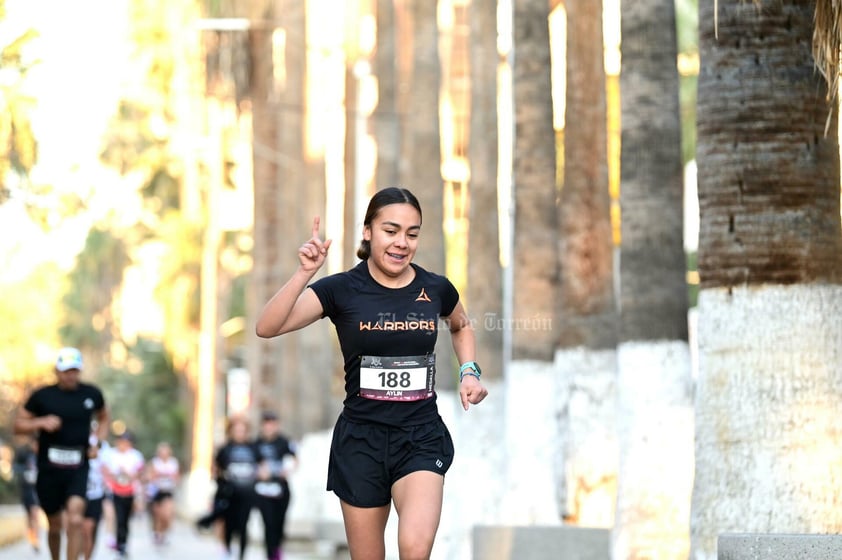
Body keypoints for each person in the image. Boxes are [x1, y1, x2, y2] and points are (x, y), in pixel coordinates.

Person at [255, 187, 488, 559]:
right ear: (368, 231)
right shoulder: (341, 289)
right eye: (391, 230)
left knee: (415, 548)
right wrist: (304, 273)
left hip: (420, 436)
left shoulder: (435, 287)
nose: (401, 243)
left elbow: (461, 326)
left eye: (412, 234)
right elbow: (267, 327)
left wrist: (470, 371)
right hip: (361, 441)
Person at [13, 347, 109, 560]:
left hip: (78, 466)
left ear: (80, 370)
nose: (70, 375)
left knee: (75, 519)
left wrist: (98, 443)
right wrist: (41, 422)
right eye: (66, 371)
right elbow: (18, 425)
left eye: (74, 370)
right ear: (57, 371)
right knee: (55, 525)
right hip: (49, 469)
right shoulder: (42, 396)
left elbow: (104, 417)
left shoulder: (91, 394)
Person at [211, 415, 258, 560]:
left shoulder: (253, 448)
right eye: (237, 430)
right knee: (229, 524)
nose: (240, 433)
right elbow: (215, 468)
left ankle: (242, 555)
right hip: (229, 493)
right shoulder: (225, 449)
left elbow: (261, 466)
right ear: (231, 431)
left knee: (244, 525)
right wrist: (220, 478)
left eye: (242, 430)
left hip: (247, 493)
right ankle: (227, 551)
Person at [253, 410, 298, 560]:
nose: (270, 427)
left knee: (279, 524)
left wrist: (287, 470)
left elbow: (295, 460)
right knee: (268, 524)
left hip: (281, 489)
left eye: (273, 424)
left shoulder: (284, 442)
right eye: (267, 424)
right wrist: (258, 470)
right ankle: (271, 556)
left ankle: (277, 551)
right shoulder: (256, 444)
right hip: (263, 490)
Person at [102, 430, 145, 558]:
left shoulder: (136, 456)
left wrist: (127, 474)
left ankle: (123, 543)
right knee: (115, 517)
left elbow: (139, 473)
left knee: (125, 520)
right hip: (113, 491)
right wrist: (114, 476)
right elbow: (105, 470)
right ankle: (115, 541)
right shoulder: (110, 454)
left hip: (129, 492)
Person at [145, 441, 180, 546]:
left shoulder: (173, 462)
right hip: (156, 492)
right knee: (158, 515)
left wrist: (168, 477)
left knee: (167, 515)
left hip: (168, 491)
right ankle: (157, 533)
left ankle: (163, 533)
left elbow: (176, 477)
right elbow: (150, 476)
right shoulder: (155, 462)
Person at [83, 430, 109, 560]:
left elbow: (108, 470)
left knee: (89, 530)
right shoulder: (77, 442)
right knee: (78, 530)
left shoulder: (104, 448)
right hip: (78, 494)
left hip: (95, 495)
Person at [12, 436, 40, 551]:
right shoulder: (24, 454)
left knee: (35, 513)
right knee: (29, 516)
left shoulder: (41, 456)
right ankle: (31, 536)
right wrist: (25, 469)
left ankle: (36, 540)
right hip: (26, 488)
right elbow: (14, 468)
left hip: (36, 489)